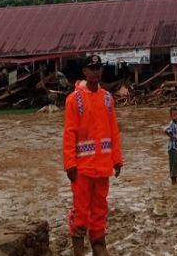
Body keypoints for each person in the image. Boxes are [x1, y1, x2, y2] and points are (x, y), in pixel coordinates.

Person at [63, 54, 123, 256]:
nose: (96, 71)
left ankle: (99, 247)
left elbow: (113, 130)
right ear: (84, 71)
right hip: (82, 168)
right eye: (92, 67)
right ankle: (78, 250)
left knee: (99, 210)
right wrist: (69, 163)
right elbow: (69, 133)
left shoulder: (107, 98)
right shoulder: (74, 99)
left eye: (98, 67)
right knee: (81, 212)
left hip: (103, 166)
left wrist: (117, 159)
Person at [164, 107, 177, 184]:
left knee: (175, 163)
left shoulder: (176, 124)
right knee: (174, 164)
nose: (176, 116)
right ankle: (174, 181)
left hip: (175, 147)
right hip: (172, 148)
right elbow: (165, 130)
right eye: (174, 115)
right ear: (171, 116)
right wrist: (171, 136)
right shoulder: (172, 124)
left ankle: (174, 181)